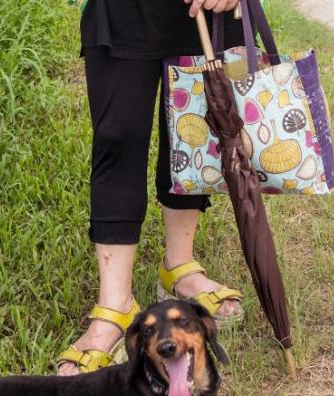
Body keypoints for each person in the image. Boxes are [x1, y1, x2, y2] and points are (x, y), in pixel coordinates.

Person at [58, 0, 245, 375]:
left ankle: (180, 264)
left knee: (192, 132)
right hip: (122, 11)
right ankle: (115, 304)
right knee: (118, 135)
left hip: (204, 10)